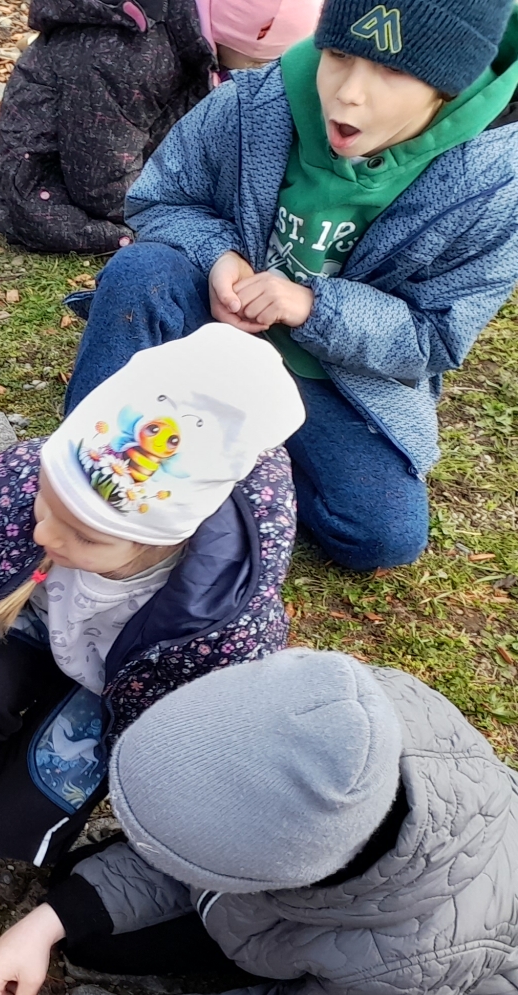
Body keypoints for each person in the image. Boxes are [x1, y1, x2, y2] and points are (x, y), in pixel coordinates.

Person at [0, 648, 518, 995]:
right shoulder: (337, 708)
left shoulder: (416, 958)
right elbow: (187, 836)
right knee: (90, 914)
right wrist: (47, 922)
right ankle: (303, 969)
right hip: (350, 932)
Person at [63, 0, 518, 569]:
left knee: (381, 537)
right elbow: (162, 198)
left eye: (393, 70)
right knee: (141, 271)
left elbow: (434, 338)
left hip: (330, 378)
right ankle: (81, 470)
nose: (348, 93)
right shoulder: (254, 101)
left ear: (448, 87)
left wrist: (312, 307)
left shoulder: (494, 188)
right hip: (209, 328)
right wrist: (218, 256)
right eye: (339, 54)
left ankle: (231, 453)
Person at [0, 324, 303, 868]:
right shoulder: (19, 477)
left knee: (9, 829)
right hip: (25, 620)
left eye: (83, 535)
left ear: (166, 540)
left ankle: (22, 774)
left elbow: (208, 722)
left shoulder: (224, 615)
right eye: (47, 500)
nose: (45, 535)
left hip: (121, 681)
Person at [0, 0, 220, 254]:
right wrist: (175, 214)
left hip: (115, 163)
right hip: (47, 194)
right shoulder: (122, 53)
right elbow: (100, 185)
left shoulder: (174, 36)